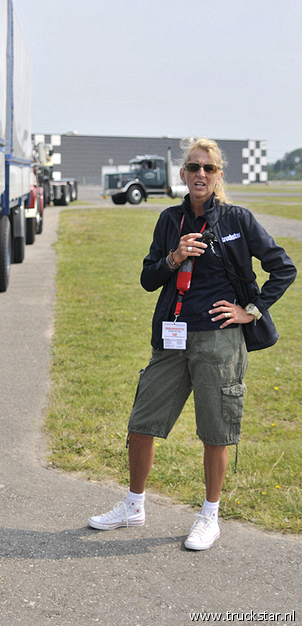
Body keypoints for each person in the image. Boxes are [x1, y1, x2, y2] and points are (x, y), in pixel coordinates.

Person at [88, 137, 297, 550]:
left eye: (209, 168)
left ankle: (209, 516)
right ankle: (133, 505)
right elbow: (149, 279)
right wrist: (174, 257)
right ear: (182, 174)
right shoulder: (169, 220)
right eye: (193, 167)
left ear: (219, 176)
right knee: (141, 420)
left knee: (215, 431)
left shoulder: (238, 219)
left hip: (219, 342)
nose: (200, 174)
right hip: (172, 336)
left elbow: (283, 268)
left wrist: (249, 311)